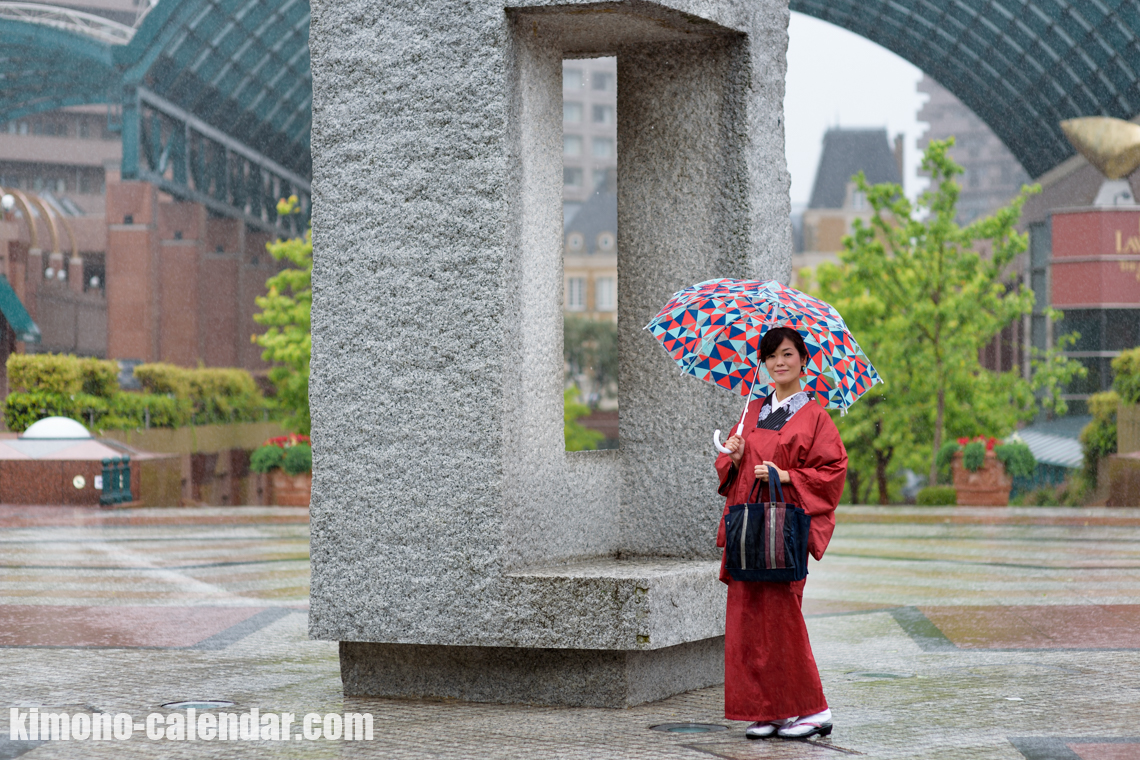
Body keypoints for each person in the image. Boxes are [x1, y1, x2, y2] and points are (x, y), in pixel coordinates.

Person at [714, 326, 848, 740]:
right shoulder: (752, 412)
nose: (779, 362)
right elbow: (730, 472)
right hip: (750, 528)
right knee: (748, 619)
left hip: (784, 531)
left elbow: (832, 472)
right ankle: (769, 710)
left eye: (788, 354)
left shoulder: (815, 417)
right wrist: (734, 456)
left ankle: (813, 709)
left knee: (782, 618)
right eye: (771, 356)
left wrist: (786, 475)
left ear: (803, 360)